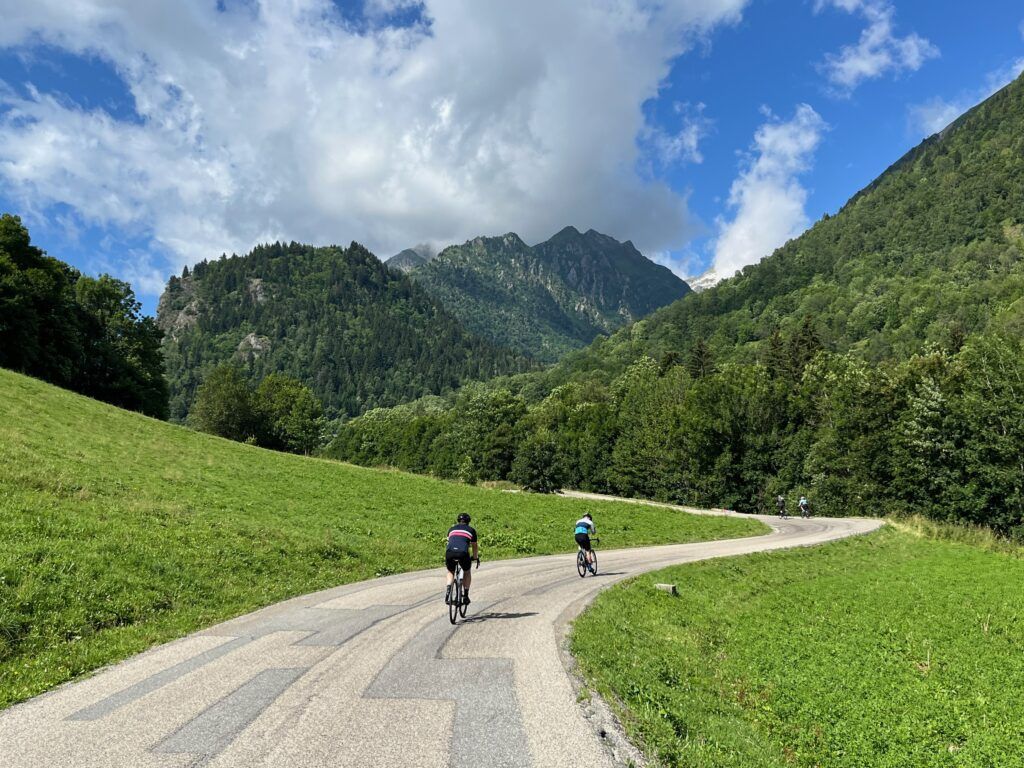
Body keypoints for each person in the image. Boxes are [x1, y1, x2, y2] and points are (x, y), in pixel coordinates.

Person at [445, 513, 478, 605]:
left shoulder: (451, 529)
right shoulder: (471, 530)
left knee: (450, 571)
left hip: (450, 552)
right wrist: (475, 557)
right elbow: (474, 546)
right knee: (467, 571)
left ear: (458, 520)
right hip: (463, 553)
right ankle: (466, 596)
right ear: (468, 522)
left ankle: (448, 593)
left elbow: (450, 542)